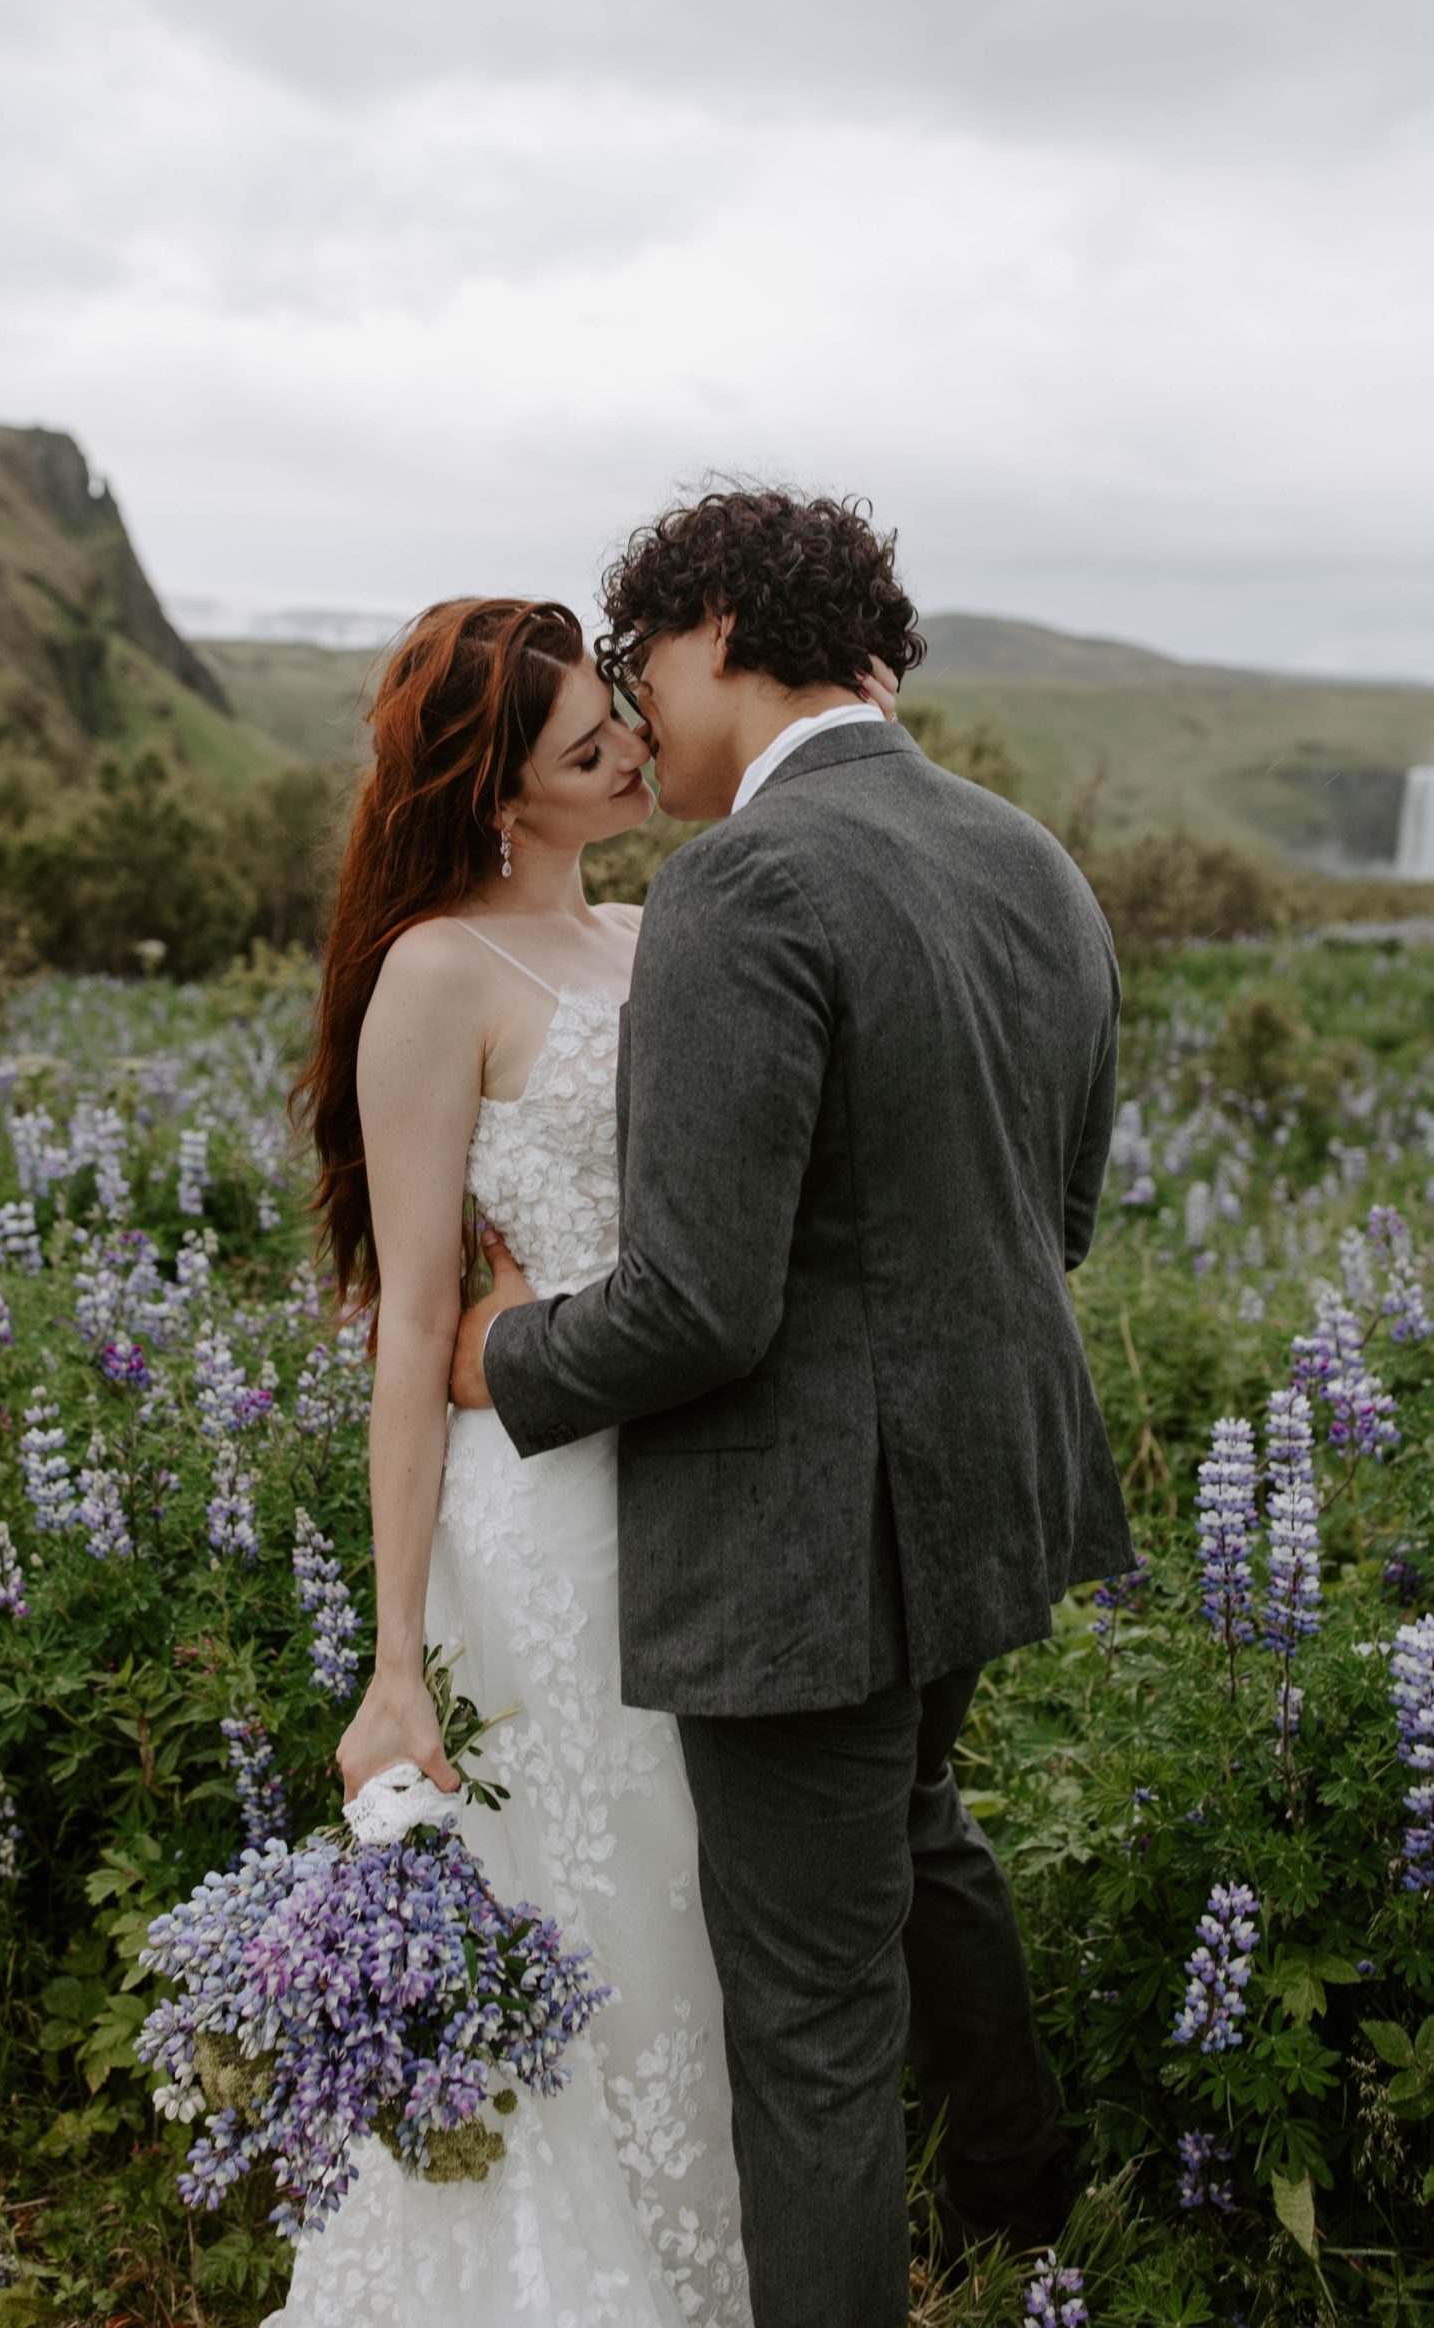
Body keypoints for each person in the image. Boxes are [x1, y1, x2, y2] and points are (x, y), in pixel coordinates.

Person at [448, 489, 1138, 2328]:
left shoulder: (742, 882)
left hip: (806, 1552)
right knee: (917, 1827)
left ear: (728, 626)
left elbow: (698, 1304)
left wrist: (499, 1356)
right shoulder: (1027, 856)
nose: (631, 708)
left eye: (642, 661)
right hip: (994, 1499)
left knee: (812, 2028)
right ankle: (1020, 2184)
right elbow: (1049, 1221)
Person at [269, 591, 808, 2326]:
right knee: (581, 1905)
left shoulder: (666, 934)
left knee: (693, 1925)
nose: (636, 751)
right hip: (545, 1523)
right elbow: (415, 1335)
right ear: (502, 793)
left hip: (704, 1482)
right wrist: (394, 1661)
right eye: (591, 746)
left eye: (624, 725)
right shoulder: (436, 974)